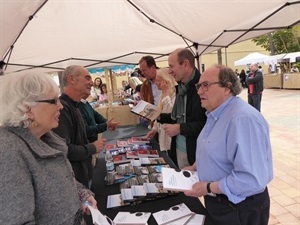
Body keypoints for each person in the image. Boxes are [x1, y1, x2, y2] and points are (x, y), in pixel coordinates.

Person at [0, 71, 97, 224]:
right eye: (53, 101)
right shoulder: (8, 152)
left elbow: (61, 179)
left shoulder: (45, 138)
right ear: (28, 109)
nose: (60, 106)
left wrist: (83, 194)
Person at [184, 64, 273, 225]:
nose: (199, 91)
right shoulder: (215, 113)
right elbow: (217, 149)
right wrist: (196, 166)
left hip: (239, 208)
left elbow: (250, 179)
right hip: (222, 203)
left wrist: (209, 188)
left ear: (227, 88)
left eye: (206, 85)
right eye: (199, 86)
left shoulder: (242, 119)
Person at [52, 65, 106, 188]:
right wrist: (92, 147)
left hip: (83, 178)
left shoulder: (74, 106)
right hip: (75, 183)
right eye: (87, 78)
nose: (92, 83)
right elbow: (64, 150)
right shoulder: (63, 109)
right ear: (72, 79)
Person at [158, 48, 207, 169]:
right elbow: (178, 117)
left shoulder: (202, 89)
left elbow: (208, 124)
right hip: (179, 148)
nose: (169, 71)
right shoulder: (181, 88)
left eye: (171, 66)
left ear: (185, 64)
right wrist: (159, 117)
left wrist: (180, 128)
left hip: (196, 154)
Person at [146, 68, 177, 152]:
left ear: (166, 81)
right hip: (163, 134)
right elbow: (159, 113)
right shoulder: (163, 94)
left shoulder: (174, 94)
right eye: (156, 80)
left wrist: (166, 93)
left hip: (171, 137)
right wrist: (154, 129)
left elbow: (170, 113)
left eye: (159, 81)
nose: (156, 83)